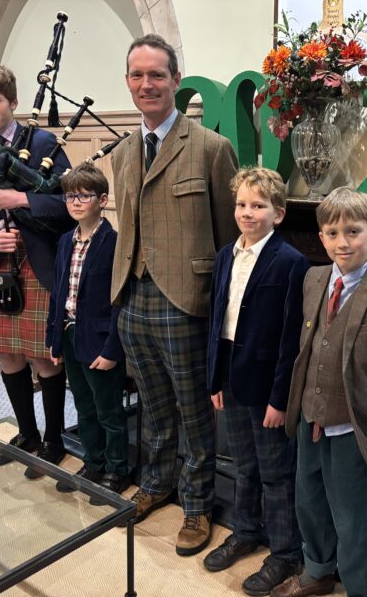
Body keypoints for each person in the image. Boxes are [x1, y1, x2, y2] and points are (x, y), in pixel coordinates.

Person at [110, 34, 238, 556]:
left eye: (156, 75)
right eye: (138, 75)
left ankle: (197, 505)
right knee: (153, 407)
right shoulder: (121, 152)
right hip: (132, 299)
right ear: (128, 82)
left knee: (192, 413)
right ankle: (157, 483)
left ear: (176, 81)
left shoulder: (210, 147)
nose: (147, 84)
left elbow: (231, 240)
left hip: (187, 301)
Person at [271, 188, 367, 597]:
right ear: (321, 239)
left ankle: (361, 588)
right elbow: (306, 347)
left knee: (355, 515)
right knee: (309, 502)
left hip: (355, 425)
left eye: (353, 231)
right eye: (332, 233)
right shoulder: (314, 278)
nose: (342, 242)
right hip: (309, 417)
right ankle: (317, 571)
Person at [0, 60, 74, 476]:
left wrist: (23, 201)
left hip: (35, 264)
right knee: (8, 356)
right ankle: (28, 435)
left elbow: (69, 205)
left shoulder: (42, 142)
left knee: (44, 358)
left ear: (14, 101)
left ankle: (55, 440)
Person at [204, 167, 308, 596]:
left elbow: (290, 337)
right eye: (242, 204)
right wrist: (214, 377)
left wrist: (280, 398)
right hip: (231, 372)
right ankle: (245, 529)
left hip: (268, 383)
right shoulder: (227, 254)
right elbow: (217, 320)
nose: (248, 213)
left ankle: (285, 552)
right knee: (242, 463)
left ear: (278, 214)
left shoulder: (290, 262)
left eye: (258, 205)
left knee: (275, 472)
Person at [46, 162, 130, 500]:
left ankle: (116, 467)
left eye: (84, 196)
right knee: (84, 405)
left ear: (103, 199)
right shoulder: (66, 240)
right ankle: (93, 462)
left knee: (108, 408)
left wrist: (112, 349)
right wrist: (54, 339)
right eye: (70, 196)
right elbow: (59, 292)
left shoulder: (114, 243)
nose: (76, 202)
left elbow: (120, 301)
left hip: (100, 340)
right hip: (69, 334)